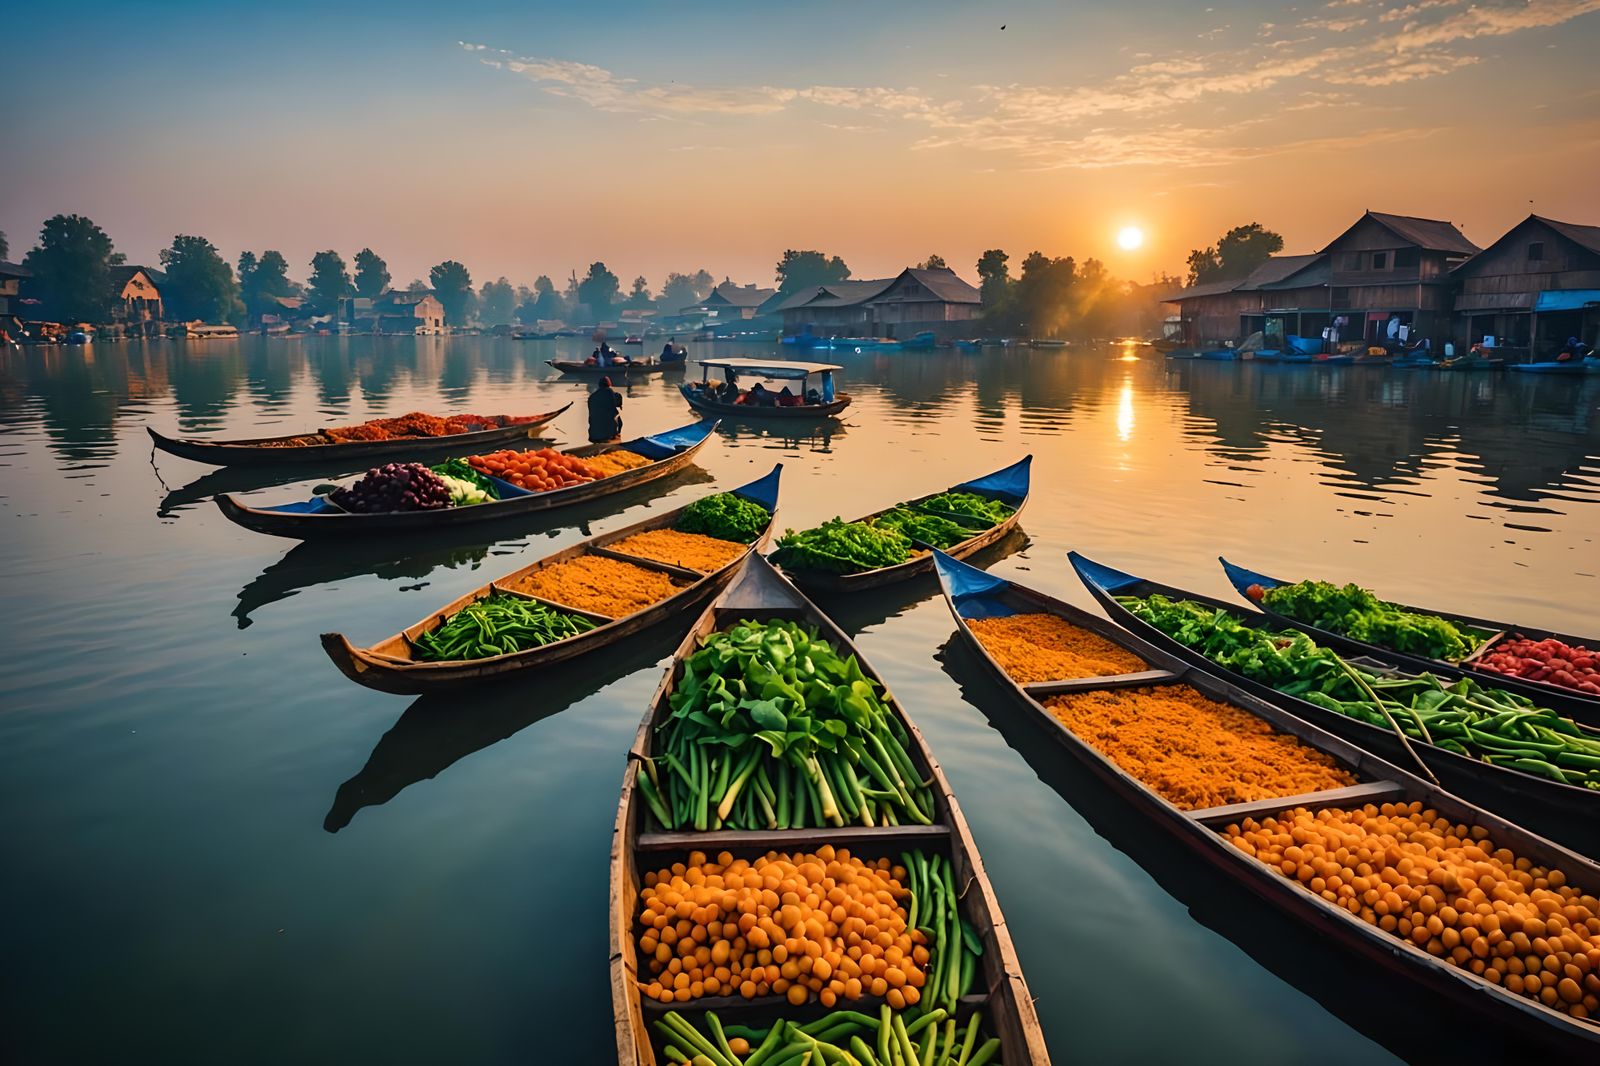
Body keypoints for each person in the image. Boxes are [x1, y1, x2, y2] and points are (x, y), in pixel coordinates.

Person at [588, 376, 623, 442]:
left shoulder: (592, 397)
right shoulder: (609, 393)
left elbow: (590, 418)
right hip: (608, 435)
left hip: (593, 435)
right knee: (617, 421)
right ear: (609, 385)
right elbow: (619, 421)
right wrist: (618, 433)